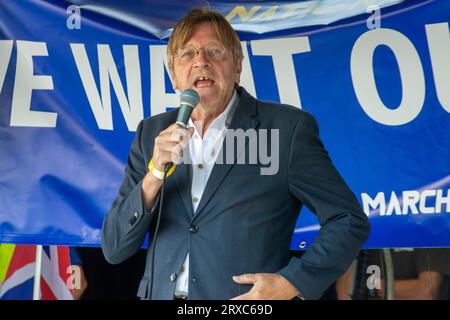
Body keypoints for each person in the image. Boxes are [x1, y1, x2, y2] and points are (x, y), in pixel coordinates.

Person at [101, 8, 371, 300]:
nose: (201, 61)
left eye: (215, 51)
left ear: (238, 66)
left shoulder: (285, 130)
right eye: (188, 54)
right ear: (173, 76)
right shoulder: (151, 133)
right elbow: (115, 249)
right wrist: (154, 175)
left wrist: (292, 282)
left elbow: (348, 219)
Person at [336, 248, 450, 300]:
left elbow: (425, 292)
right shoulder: (366, 234)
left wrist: (373, 286)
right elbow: (344, 293)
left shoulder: (425, 228)